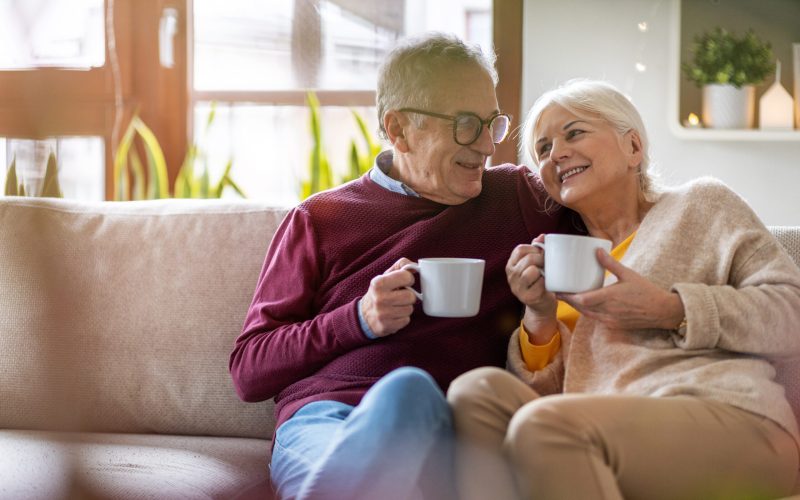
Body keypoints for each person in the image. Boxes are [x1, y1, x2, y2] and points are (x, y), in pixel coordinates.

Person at [228, 34, 579, 500]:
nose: (486, 146)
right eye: (465, 124)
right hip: (328, 420)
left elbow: (619, 210)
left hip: (451, 427)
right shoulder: (319, 220)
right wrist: (357, 320)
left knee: (414, 397)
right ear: (398, 130)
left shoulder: (517, 198)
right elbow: (249, 370)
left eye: (492, 123)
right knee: (403, 397)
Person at [447, 78, 800, 500]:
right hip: (598, 429)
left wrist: (673, 310)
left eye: (574, 132)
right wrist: (540, 313)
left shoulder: (700, 205)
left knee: (547, 427)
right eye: (543, 149)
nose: (556, 152)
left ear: (633, 147)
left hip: (734, 419)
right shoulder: (566, 261)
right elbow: (555, 400)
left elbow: (791, 313)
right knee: (476, 392)